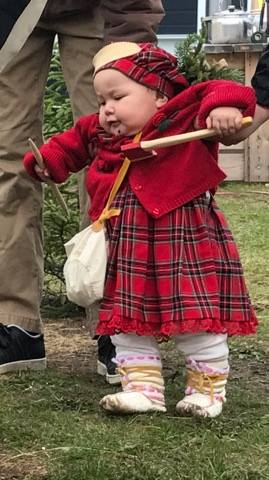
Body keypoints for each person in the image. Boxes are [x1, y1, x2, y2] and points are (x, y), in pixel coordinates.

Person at [23, 41, 258, 418]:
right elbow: (69, 146)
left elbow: (227, 91)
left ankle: (207, 389)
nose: (107, 109)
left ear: (161, 95)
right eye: (101, 101)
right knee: (126, 316)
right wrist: (46, 162)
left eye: (117, 96)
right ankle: (142, 388)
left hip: (184, 238)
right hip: (127, 239)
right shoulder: (101, 132)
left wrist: (224, 108)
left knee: (194, 310)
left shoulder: (185, 114)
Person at [0, 1, 165, 382]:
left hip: (103, 9)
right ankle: (14, 322)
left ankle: (116, 321)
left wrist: (133, 47)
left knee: (113, 153)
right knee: (7, 158)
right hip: (13, 11)